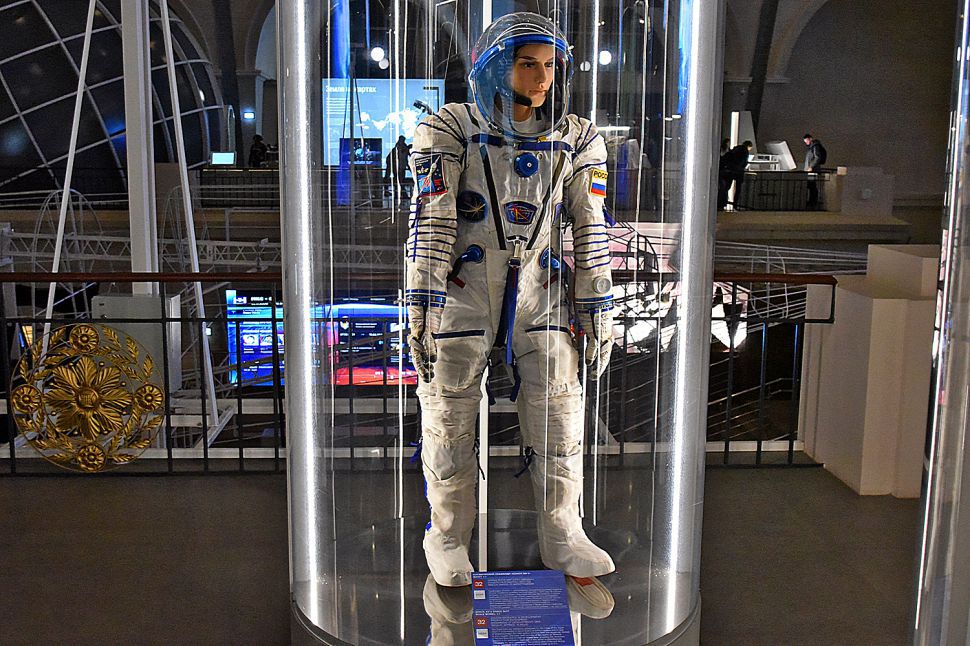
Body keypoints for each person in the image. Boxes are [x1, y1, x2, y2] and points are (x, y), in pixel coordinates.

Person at [406, 12, 616, 615]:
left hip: (541, 288)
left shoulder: (578, 138)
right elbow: (432, 223)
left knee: (560, 411)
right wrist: (421, 302)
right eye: (528, 65)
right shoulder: (451, 128)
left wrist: (596, 304)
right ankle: (447, 536)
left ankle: (564, 533)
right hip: (464, 286)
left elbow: (591, 228)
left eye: (549, 66)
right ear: (498, 69)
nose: (542, 78)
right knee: (448, 414)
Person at [717, 140, 752, 210]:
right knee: (737, 189)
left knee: (726, 187)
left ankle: (722, 203)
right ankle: (735, 205)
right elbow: (744, 162)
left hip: (729, 170)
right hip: (738, 171)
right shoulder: (745, 151)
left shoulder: (735, 149)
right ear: (749, 146)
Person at [803, 133, 827, 209]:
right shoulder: (812, 147)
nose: (806, 142)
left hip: (812, 170)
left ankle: (812, 202)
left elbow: (817, 157)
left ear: (810, 139)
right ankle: (812, 201)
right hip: (811, 170)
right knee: (811, 186)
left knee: (812, 186)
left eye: (807, 140)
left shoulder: (815, 146)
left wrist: (811, 166)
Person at [384, 135, 412, 199]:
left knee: (400, 181)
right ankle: (400, 194)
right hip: (397, 168)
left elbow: (405, 160)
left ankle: (400, 194)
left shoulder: (403, 149)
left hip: (400, 168)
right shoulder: (398, 149)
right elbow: (400, 160)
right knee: (399, 181)